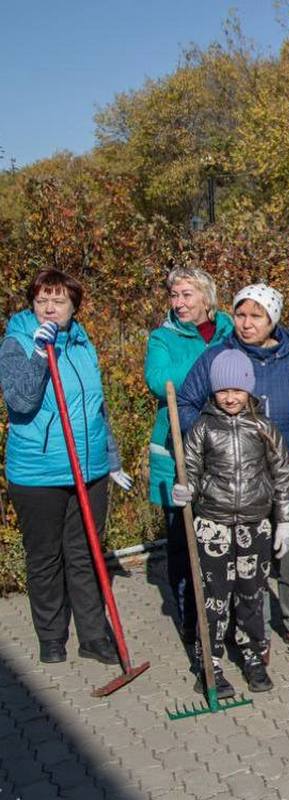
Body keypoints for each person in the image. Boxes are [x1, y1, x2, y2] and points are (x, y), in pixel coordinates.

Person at [176, 282, 289, 657]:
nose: (246, 323)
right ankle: (251, 632)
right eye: (241, 314)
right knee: (248, 566)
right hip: (232, 480)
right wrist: (210, 433)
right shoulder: (219, 356)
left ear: (273, 319)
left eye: (256, 316)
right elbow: (185, 402)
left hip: (285, 475)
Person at [0, 268, 131, 665]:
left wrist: (110, 459)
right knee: (45, 557)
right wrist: (40, 354)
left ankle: (93, 638)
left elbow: (97, 407)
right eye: (42, 300)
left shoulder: (82, 342)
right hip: (39, 472)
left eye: (59, 301)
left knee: (87, 555)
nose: (50, 308)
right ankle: (52, 637)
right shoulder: (16, 340)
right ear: (32, 304)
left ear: (74, 306)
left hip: (87, 468)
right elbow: (21, 401)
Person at [171, 349, 289, 694]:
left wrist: (285, 520)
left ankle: (254, 656)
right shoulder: (203, 428)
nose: (230, 397)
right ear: (213, 392)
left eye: (237, 390)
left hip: (255, 524)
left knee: (252, 595)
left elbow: (283, 474)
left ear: (249, 390)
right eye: (223, 391)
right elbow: (191, 469)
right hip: (214, 525)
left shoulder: (264, 428)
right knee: (214, 598)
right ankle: (209, 663)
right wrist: (185, 491)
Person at [144, 267, 233, 645]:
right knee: (183, 540)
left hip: (226, 448)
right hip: (180, 449)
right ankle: (190, 620)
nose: (178, 303)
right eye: (174, 295)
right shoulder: (162, 338)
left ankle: (224, 615)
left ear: (206, 297)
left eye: (187, 294)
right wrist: (220, 365)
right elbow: (160, 381)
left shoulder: (232, 328)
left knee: (226, 536)